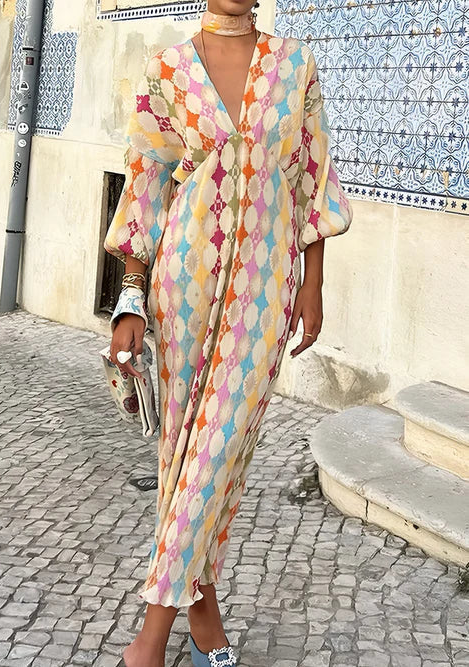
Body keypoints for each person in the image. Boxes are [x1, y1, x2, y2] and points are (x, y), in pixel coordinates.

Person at [104, 0, 353, 664]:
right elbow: (146, 183)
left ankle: (148, 640)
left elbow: (312, 178)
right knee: (183, 457)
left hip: (266, 287)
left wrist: (312, 281)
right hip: (184, 281)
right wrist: (130, 295)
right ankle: (204, 617)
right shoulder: (167, 69)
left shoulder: (295, 66)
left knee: (219, 451)